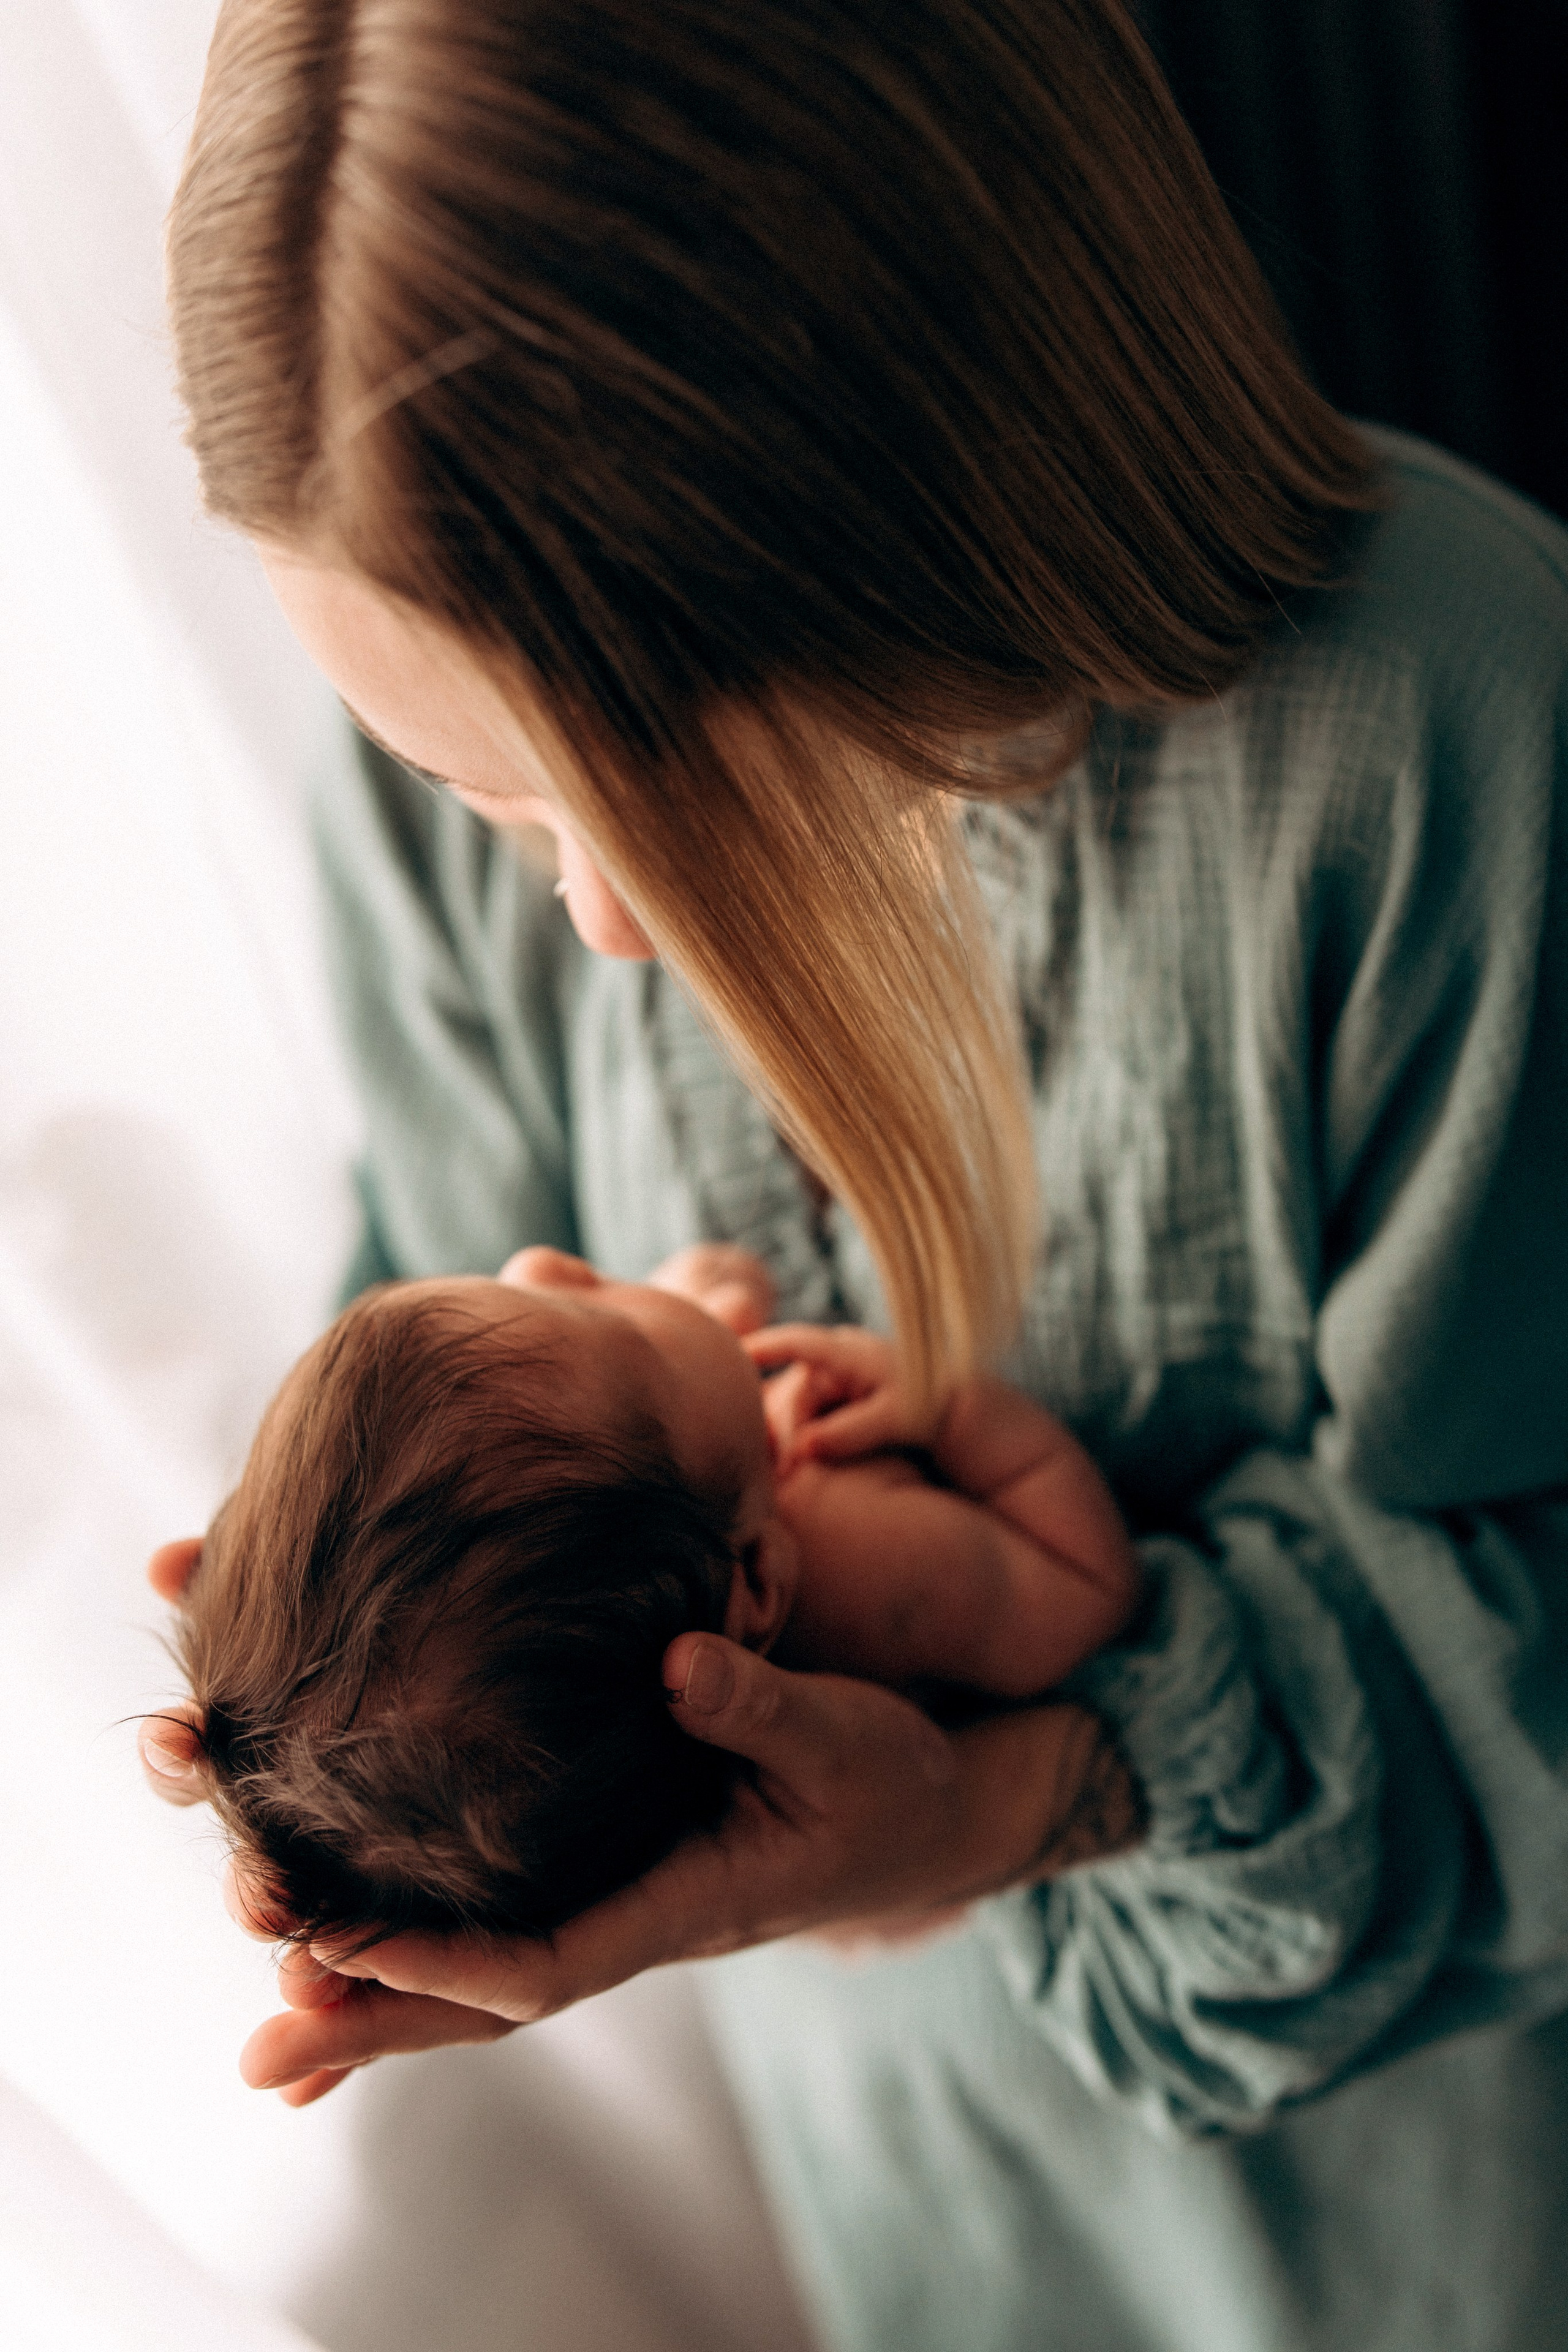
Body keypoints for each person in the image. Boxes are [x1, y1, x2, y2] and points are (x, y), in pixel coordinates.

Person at [139, 2, 1568, 2347]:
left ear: (930, 480)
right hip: (933, 2209)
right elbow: (438, 1259)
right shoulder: (425, 795)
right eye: (484, 798)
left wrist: (1023, 1795)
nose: (590, 920)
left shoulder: (1439, 767)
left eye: (670, 780)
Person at [154, 1240, 1137, 1943]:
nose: (540, 1259)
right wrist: (955, 1405)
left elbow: (637, 1426)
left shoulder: (668, 1542)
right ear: (757, 1579)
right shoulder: (881, 1564)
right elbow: (1086, 1590)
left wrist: (670, 1323)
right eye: (612, 1322)